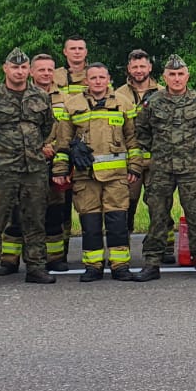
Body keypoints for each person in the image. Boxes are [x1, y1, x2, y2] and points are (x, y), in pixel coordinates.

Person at [0, 49, 57, 288]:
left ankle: (36, 267)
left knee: (35, 219)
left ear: (29, 70)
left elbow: (46, 128)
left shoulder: (40, 96)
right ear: (5, 68)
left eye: (23, 67)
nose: (19, 72)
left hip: (33, 169)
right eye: (15, 67)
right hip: (1, 170)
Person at [137, 55, 196, 281]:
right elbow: (142, 131)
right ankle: (152, 262)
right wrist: (157, 151)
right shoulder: (153, 102)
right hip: (161, 169)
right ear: (164, 77)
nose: (176, 78)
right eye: (172, 74)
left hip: (191, 169)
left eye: (180, 74)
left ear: (187, 76)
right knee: (158, 216)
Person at [57, 61, 134, 281]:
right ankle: (93, 266)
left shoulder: (123, 103)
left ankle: (120, 265)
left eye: (102, 77)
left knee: (117, 222)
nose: (98, 81)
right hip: (85, 176)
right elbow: (63, 142)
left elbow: (133, 139)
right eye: (93, 78)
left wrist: (135, 167)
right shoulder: (72, 105)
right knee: (90, 224)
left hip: (116, 177)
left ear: (108, 79)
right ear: (86, 80)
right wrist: (62, 167)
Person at [24, 53, 74, 270]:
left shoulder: (66, 99)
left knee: (56, 211)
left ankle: (55, 258)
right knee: (25, 211)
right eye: (41, 70)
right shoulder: (21, 96)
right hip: (27, 161)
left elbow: (69, 129)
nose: (46, 74)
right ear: (31, 72)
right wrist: (37, 147)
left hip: (56, 161)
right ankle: (12, 259)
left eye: (50, 70)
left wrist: (52, 147)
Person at [115, 49, 159, 238]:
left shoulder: (162, 93)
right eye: (135, 67)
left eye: (142, 66)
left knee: (159, 205)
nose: (139, 70)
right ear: (128, 68)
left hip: (157, 162)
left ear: (150, 67)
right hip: (129, 162)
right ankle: (123, 243)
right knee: (126, 205)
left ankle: (164, 246)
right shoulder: (117, 95)